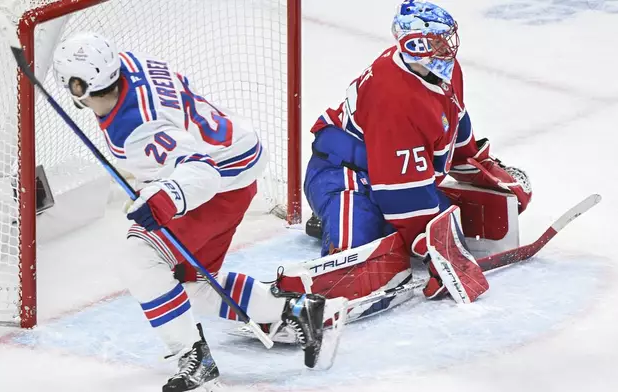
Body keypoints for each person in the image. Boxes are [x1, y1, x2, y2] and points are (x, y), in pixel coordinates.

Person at [52, 32, 336, 392]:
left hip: (219, 183)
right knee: (189, 283)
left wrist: (162, 199)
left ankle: (192, 356)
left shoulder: (137, 130)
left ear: (78, 88)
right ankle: (293, 309)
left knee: (138, 260)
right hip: (234, 156)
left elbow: (201, 172)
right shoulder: (128, 64)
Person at [275, 0, 532, 321]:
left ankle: (341, 223)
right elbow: (401, 197)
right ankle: (330, 230)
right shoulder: (393, 96)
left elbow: (453, 125)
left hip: (389, 172)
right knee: (356, 265)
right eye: (438, 40)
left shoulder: (443, 72)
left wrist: (485, 172)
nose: (447, 46)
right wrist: (430, 251)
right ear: (417, 45)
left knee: (441, 227)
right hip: (343, 176)